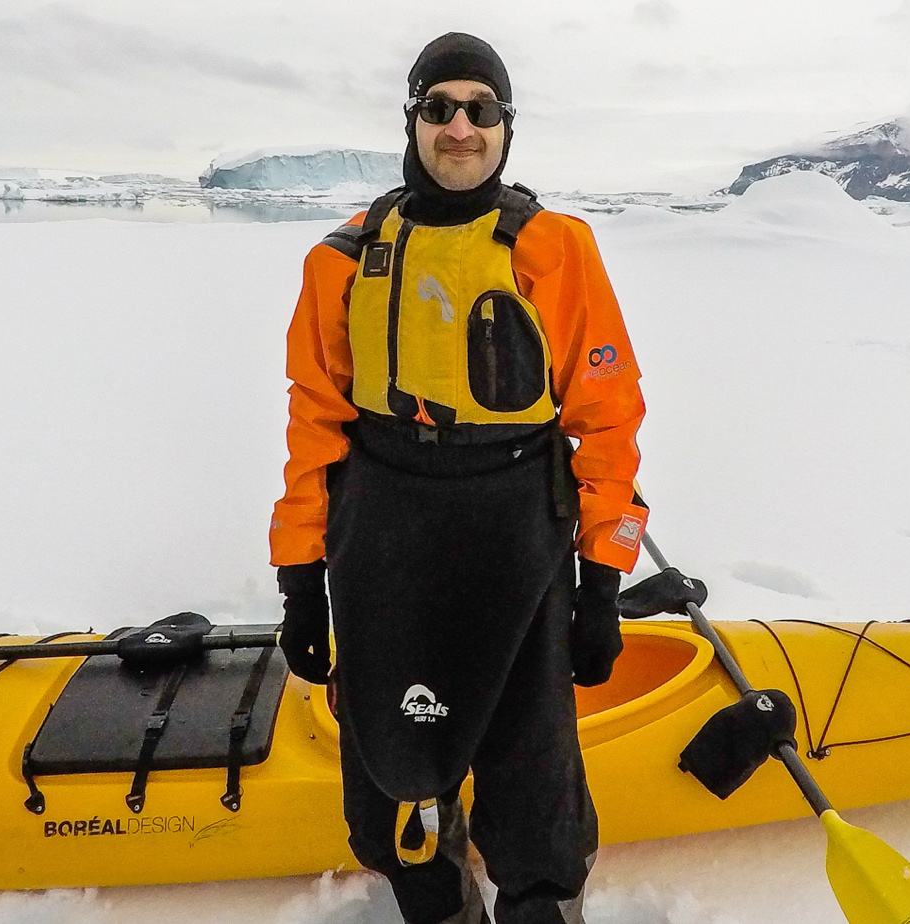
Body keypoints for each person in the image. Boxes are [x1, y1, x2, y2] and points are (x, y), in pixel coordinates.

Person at [268, 32, 650, 924]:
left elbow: (607, 420)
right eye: (440, 108)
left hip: (516, 529)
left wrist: (603, 580)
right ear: (414, 121)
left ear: (507, 128)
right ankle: (435, 899)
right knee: (392, 755)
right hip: (385, 533)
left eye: (482, 110)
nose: (461, 128)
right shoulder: (341, 258)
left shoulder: (556, 248)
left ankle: (538, 904)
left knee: (531, 758)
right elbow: (313, 425)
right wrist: (299, 583)